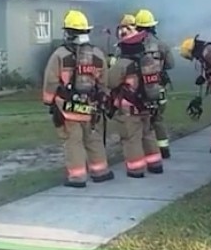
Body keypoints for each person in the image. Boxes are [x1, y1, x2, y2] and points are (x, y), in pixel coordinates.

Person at [42, 10, 114, 187]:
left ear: (67, 32)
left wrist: (49, 101)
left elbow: (51, 81)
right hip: (91, 107)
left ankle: (77, 177)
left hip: (68, 109)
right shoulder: (97, 54)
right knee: (93, 139)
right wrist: (101, 100)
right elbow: (104, 82)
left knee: (73, 141)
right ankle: (100, 172)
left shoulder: (59, 55)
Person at [107, 28, 165, 177]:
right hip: (147, 106)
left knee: (131, 138)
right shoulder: (149, 61)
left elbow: (110, 82)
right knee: (148, 134)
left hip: (129, 111)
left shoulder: (123, 64)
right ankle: (155, 164)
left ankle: (136, 169)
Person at [133, 8, 175, 158]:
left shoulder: (132, 44)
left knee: (141, 119)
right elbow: (170, 64)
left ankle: (144, 151)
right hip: (158, 87)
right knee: (158, 118)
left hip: (139, 89)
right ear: (153, 26)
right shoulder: (161, 44)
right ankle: (163, 150)